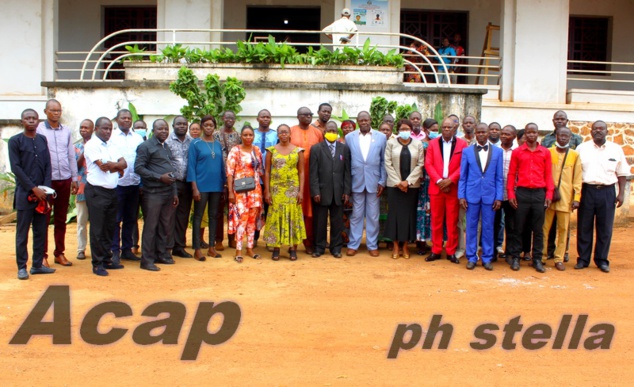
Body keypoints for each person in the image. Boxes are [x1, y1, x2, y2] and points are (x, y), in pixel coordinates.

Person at [575, 120, 629, 273]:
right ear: (590, 131)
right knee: (584, 226)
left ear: (607, 131)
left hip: (607, 191)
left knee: (605, 228)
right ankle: (583, 259)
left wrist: (621, 194)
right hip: (587, 191)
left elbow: (622, 172)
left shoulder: (616, 149)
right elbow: (576, 173)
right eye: (595, 129)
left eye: (601, 129)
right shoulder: (582, 148)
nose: (598, 131)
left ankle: (601, 260)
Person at [10, 109, 56, 280]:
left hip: (43, 196)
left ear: (38, 121)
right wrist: (33, 188)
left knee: (40, 231)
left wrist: (44, 189)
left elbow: (48, 166)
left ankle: (37, 265)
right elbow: (16, 168)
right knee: (22, 233)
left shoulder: (42, 139)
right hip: (25, 195)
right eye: (27, 118)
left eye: (33, 118)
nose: (30, 121)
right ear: (21, 121)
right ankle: (22, 267)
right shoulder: (15, 142)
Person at [36, 99, 78, 267]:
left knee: (61, 219)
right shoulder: (38, 130)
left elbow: (70, 155)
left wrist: (74, 178)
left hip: (65, 179)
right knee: (44, 219)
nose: (56, 113)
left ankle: (59, 253)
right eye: (53, 110)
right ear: (45, 111)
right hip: (47, 180)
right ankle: (42, 255)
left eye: (59, 110)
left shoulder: (66, 131)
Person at [507, 123, 554, 273]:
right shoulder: (518, 152)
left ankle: (537, 259)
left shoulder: (545, 152)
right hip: (522, 193)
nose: (531, 135)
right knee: (518, 227)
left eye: (534, 132)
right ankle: (515, 257)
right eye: (528, 132)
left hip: (539, 193)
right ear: (525, 134)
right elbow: (511, 174)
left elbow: (548, 175)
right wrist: (510, 194)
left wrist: (549, 194)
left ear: (538, 134)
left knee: (538, 229)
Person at [83, 117, 127, 276]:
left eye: (110, 128)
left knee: (110, 226)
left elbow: (124, 163)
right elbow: (103, 167)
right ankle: (97, 263)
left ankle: (107, 259)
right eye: (104, 128)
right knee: (97, 229)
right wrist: (118, 166)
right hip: (97, 192)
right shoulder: (91, 145)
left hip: (112, 191)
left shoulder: (112, 145)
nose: (108, 131)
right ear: (96, 129)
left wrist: (115, 165)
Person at [134, 119, 179, 272]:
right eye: (160, 129)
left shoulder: (165, 146)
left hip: (167, 192)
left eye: (166, 129)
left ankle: (162, 254)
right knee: (151, 227)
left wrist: (174, 192)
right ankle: (146, 260)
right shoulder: (145, 146)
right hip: (153, 193)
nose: (164, 131)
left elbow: (170, 169)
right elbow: (138, 168)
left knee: (164, 225)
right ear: (153, 130)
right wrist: (159, 177)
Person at [458, 123, 504, 270]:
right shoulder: (467, 151)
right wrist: (461, 195)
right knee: (471, 227)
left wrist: (499, 197)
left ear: (489, 133)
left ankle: (487, 257)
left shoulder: (498, 152)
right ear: (475, 134)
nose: (481, 134)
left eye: (484, 132)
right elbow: (463, 176)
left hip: (490, 196)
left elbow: (499, 177)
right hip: (471, 195)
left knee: (488, 227)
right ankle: (471, 257)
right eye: (479, 132)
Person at [424, 117, 468, 264]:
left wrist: (450, 180)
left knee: (452, 221)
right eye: (444, 127)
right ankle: (436, 250)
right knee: (436, 221)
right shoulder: (433, 143)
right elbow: (428, 164)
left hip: (453, 188)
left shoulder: (462, 144)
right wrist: (439, 181)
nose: (447, 130)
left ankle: (451, 251)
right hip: (436, 188)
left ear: (455, 129)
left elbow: (464, 165)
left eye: (449, 128)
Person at [541, 110, 583, 261]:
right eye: (561, 136)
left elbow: (577, 178)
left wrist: (576, 197)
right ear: (556, 137)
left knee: (564, 229)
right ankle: (543, 255)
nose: (563, 138)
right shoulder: (548, 151)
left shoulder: (575, 155)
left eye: (566, 136)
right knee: (544, 228)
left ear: (570, 138)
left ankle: (559, 257)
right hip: (548, 196)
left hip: (565, 197)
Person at [345, 111, 387, 257]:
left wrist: (382, 181)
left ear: (370, 120)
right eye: (361, 120)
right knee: (356, 215)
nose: (364, 122)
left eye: (366, 120)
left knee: (373, 215)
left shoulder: (381, 137)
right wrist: (347, 184)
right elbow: (347, 161)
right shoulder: (349, 137)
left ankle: (372, 245)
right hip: (356, 181)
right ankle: (353, 244)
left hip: (374, 182)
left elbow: (383, 161)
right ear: (357, 121)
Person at [264, 124, 307, 260]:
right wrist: (267, 191)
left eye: (286, 132)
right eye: (281, 132)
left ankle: (292, 248)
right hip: (276, 189)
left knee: (292, 217)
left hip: (292, 189)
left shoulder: (298, 151)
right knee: (276, 217)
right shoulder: (271, 150)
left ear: (290, 134)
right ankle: (276, 248)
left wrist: (301, 191)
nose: (283, 134)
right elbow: (266, 172)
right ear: (277, 134)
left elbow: (301, 172)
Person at [309, 121, 351, 258]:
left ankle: (336, 248)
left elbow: (347, 172)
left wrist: (346, 191)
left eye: (334, 131)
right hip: (321, 192)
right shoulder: (316, 149)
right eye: (329, 131)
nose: (331, 133)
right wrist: (315, 191)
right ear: (324, 132)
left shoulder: (344, 148)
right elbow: (313, 172)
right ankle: (319, 247)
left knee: (337, 222)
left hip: (338, 191)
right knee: (320, 222)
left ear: (337, 132)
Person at [384, 119, 425, 259]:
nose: (405, 131)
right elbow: (387, 163)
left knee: (408, 215)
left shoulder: (418, 144)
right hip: (394, 186)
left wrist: (407, 182)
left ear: (411, 130)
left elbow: (420, 164)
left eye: (407, 129)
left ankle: (406, 245)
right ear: (398, 130)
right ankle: (395, 245)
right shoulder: (391, 143)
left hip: (411, 187)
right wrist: (398, 183)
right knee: (394, 215)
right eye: (402, 129)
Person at [188, 115, 226, 261]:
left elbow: (221, 166)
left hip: (216, 186)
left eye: (211, 125)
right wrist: (194, 188)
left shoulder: (217, 145)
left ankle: (211, 248)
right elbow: (191, 166)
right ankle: (197, 249)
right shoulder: (196, 144)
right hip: (201, 186)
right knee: (198, 216)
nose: (209, 128)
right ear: (202, 127)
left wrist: (223, 185)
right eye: (206, 125)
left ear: (214, 127)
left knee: (214, 216)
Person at [110, 109, 144, 263]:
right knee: (116, 219)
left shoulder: (137, 138)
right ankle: (115, 251)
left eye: (129, 118)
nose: (126, 120)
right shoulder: (111, 138)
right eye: (123, 118)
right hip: (117, 184)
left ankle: (127, 250)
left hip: (134, 183)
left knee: (131, 218)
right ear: (117, 120)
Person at [226, 126, 264, 263]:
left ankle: (250, 248)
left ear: (253, 136)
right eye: (245, 135)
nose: (248, 137)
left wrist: (265, 191)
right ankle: (238, 250)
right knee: (242, 219)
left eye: (250, 135)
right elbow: (230, 173)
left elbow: (260, 171)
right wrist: (230, 192)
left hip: (255, 190)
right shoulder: (235, 151)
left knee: (252, 221)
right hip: (240, 190)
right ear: (241, 136)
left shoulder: (257, 150)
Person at [290, 106, 324, 254]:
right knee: (295, 209)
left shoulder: (317, 133)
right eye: (304, 114)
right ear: (298, 116)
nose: (308, 117)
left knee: (310, 211)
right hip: (293, 177)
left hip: (312, 177)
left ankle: (309, 241)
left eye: (310, 114)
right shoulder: (290, 131)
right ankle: (293, 242)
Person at [165, 115, 194, 258]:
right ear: (173, 126)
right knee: (170, 216)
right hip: (172, 183)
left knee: (183, 216)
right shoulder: (167, 142)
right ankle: (167, 247)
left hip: (187, 184)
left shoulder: (192, 142)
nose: (182, 126)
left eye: (184, 124)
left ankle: (179, 246)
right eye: (179, 124)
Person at [214, 110, 242, 249]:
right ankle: (218, 240)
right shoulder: (215, 135)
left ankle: (232, 238)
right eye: (227, 117)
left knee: (234, 210)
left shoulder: (238, 136)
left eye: (232, 118)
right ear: (223, 118)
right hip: (218, 176)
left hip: (235, 177)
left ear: (235, 120)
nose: (229, 120)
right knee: (219, 211)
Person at [253, 109, 278, 246]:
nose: (265, 119)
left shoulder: (275, 135)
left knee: (271, 209)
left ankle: (270, 240)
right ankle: (254, 238)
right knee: (256, 209)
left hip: (271, 178)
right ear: (257, 119)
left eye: (268, 117)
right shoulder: (252, 134)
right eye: (262, 116)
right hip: (254, 178)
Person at [415, 119, 436, 255]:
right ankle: (420, 242)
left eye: (436, 129)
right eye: (432, 129)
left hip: (435, 180)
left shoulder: (439, 143)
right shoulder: (419, 144)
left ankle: (432, 241)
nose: (435, 131)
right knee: (422, 211)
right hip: (422, 181)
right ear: (425, 129)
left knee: (433, 212)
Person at [74, 119, 94, 260]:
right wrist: (85, 151)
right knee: (81, 220)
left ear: (93, 129)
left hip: (97, 189)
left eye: (86, 127)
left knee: (97, 221)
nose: (83, 130)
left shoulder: (99, 145)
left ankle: (97, 249)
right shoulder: (76, 147)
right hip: (81, 188)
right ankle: (81, 249)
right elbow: (75, 166)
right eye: (81, 127)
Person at [188, 121, 210, 248]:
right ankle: (183, 239)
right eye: (193, 129)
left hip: (201, 183)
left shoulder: (204, 144)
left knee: (202, 214)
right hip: (187, 183)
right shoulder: (188, 143)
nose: (195, 131)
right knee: (188, 213)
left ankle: (200, 239)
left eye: (197, 129)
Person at [499, 125, 517, 263]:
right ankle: (493, 251)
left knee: (511, 226)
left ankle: (510, 253)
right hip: (496, 195)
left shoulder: (517, 152)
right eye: (502, 133)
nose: (504, 136)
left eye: (507, 134)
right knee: (494, 224)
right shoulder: (494, 151)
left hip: (512, 195)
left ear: (514, 137)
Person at [131, 119, 147, 255]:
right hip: (132, 186)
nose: (140, 129)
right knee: (132, 217)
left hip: (148, 187)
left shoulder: (151, 144)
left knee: (149, 218)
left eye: (142, 127)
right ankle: (133, 244)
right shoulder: (130, 144)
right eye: (137, 127)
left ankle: (148, 246)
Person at [339, 119, 356, 244]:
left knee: (353, 214)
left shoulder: (357, 141)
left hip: (355, 181)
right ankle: (343, 239)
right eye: (345, 127)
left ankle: (353, 240)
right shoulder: (338, 142)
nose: (348, 130)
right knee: (342, 214)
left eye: (350, 127)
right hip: (341, 181)